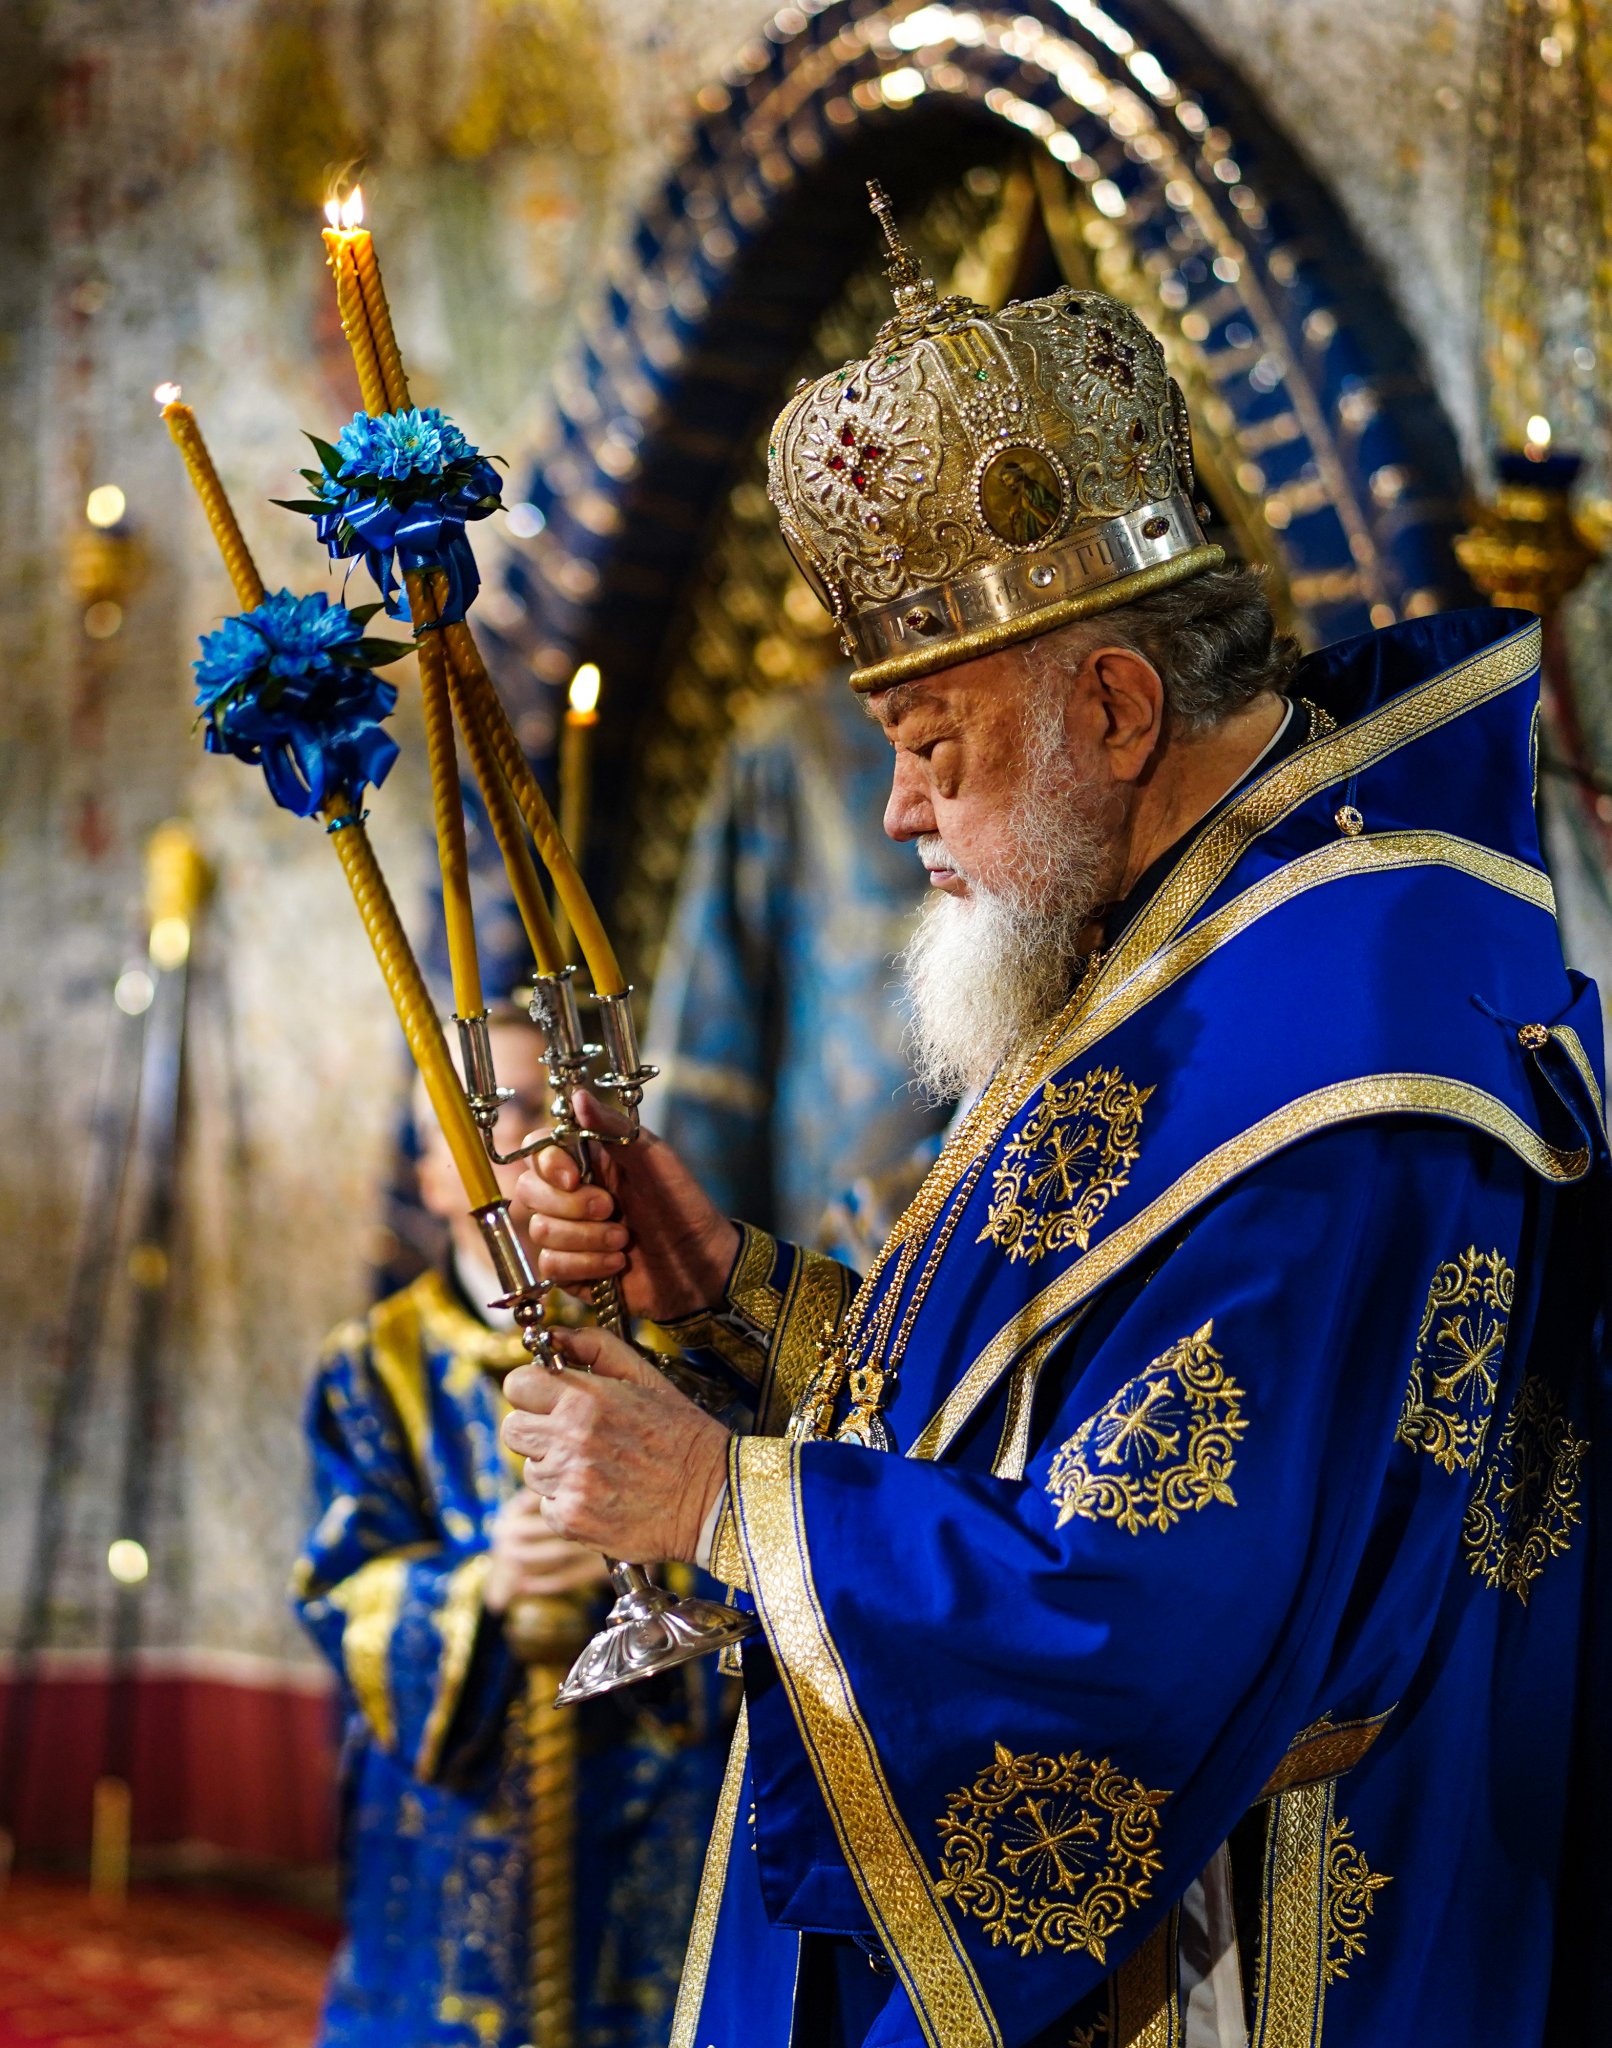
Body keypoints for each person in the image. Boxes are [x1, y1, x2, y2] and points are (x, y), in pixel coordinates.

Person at [498, 198, 1607, 2048]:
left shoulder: (1333, 1046)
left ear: (1105, 702)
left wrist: (714, 1497)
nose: (894, 816)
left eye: (931, 744)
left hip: (1266, 1951)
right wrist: (739, 1290)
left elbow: (1146, 1614)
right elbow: (1059, 1413)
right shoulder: (1185, 938)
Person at [292, 1004, 728, 2048]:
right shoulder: (372, 1364)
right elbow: (338, 1585)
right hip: (454, 1819)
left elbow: (747, 1539)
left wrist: (655, 1528)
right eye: (471, 1117)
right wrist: (480, 1586)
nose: (510, 1143)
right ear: (430, 1171)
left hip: (644, 1798)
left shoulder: (663, 1344)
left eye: (534, 1110)